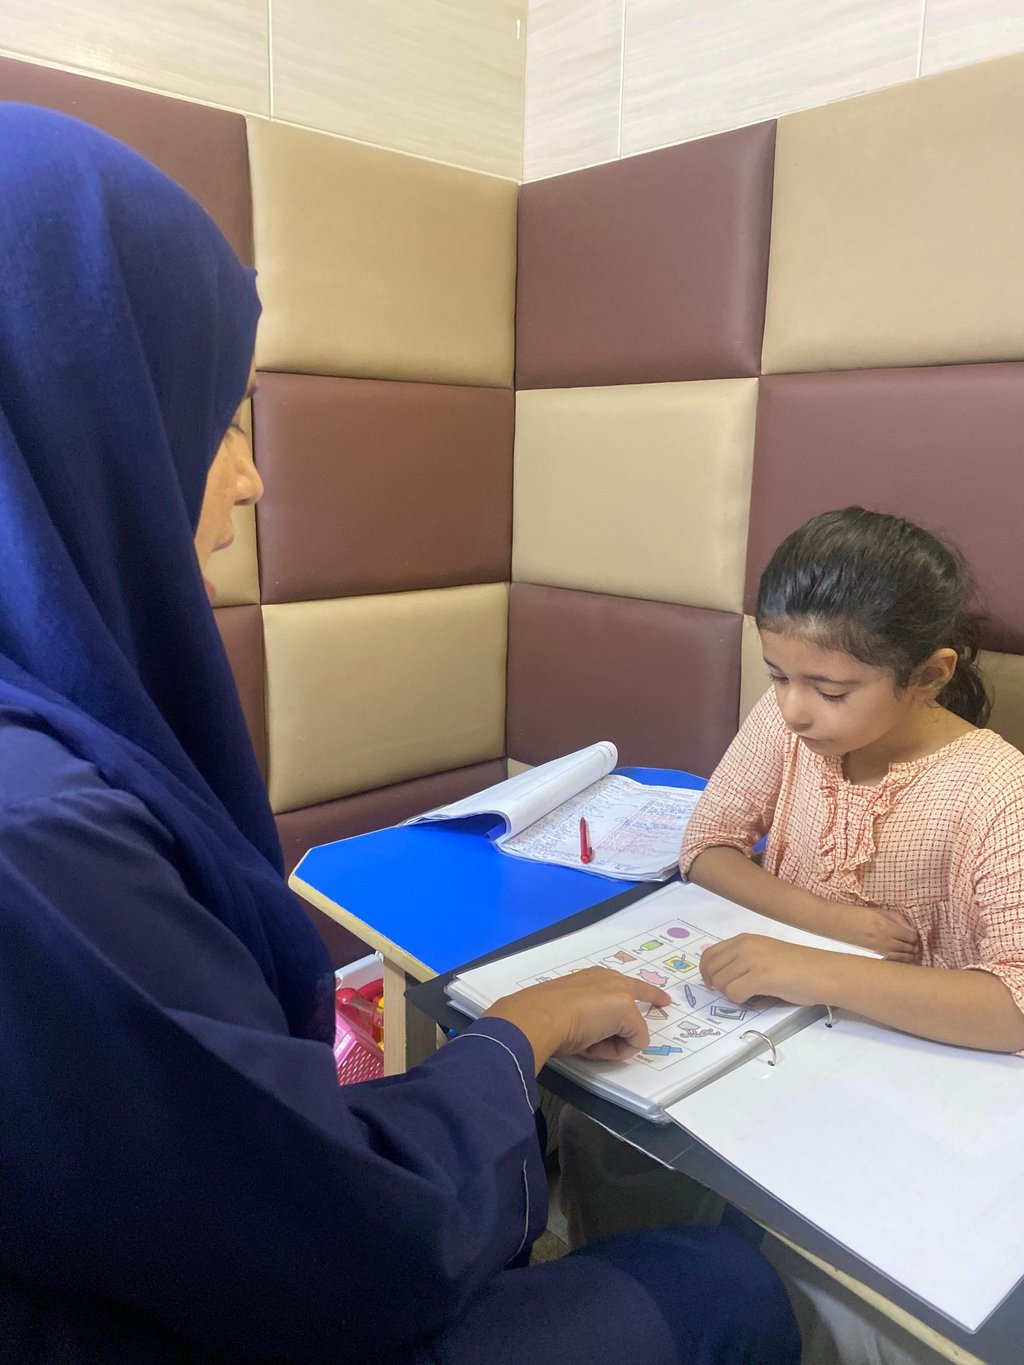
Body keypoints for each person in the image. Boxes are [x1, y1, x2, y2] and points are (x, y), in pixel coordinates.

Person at [0, 105, 800, 1364]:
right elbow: (328, 1247)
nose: (253, 479)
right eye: (216, 419)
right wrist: (513, 1037)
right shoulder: (38, 830)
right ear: (82, 422)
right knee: (717, 1284)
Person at [560, 507, 1024, 1363]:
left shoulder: (994, 789)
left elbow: (1013, 1005)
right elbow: (708, 845)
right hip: (781, 1035)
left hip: (917, 1077)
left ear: (930, 673)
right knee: (607, 1131)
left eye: (830, 690)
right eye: (777, 675)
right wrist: (832, 924)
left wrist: (816, 968)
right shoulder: (787, 726)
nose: (794, 709)